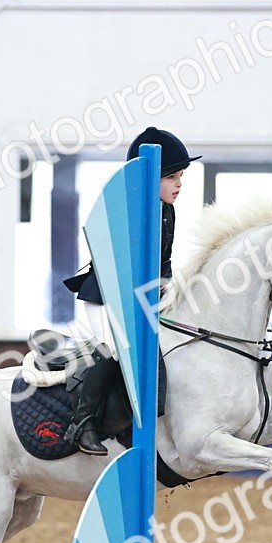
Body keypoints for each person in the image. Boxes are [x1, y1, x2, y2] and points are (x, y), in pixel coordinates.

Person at [61, 126, 200, 455]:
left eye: (181, 176)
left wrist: (174, 288)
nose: (180, 184)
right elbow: (121, 269)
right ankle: (83, 424)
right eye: (173, 177)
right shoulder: (128, 212)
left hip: (136, 300)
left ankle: (136, 422)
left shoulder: (167, 211)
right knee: (113, 349)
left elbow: (163, 263)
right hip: (104, 296)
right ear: (152, 179)